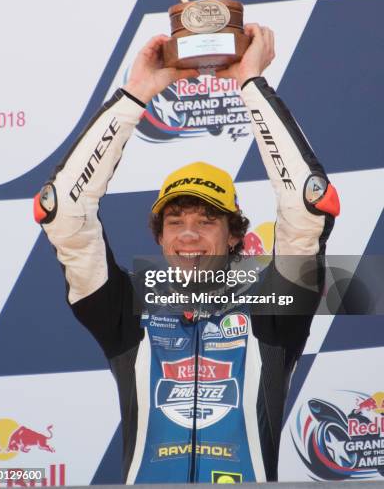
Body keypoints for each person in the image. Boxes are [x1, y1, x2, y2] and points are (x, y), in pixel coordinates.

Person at [34, 24, 340, 484]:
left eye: (206, 221)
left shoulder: (274, 310)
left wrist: (251, 86)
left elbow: (309, 205)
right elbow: (62, 212)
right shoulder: (125, 310)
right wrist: (136, 94)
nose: (189, 235)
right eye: (175, 222)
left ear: (236, 235)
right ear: (160, 237)